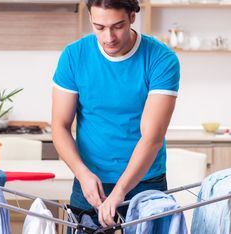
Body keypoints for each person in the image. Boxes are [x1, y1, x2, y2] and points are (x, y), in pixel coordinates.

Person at [51, 0, 180, 230]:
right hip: (90, 183)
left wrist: (120, 191)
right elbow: (60, 126)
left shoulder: (161, 59)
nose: (108, 37)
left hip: (145, 183)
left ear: (132, 16)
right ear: (90, 19)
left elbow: (152, 138)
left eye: (117, 26)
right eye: (99, 27)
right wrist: (82, 174)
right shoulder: (74, 56)